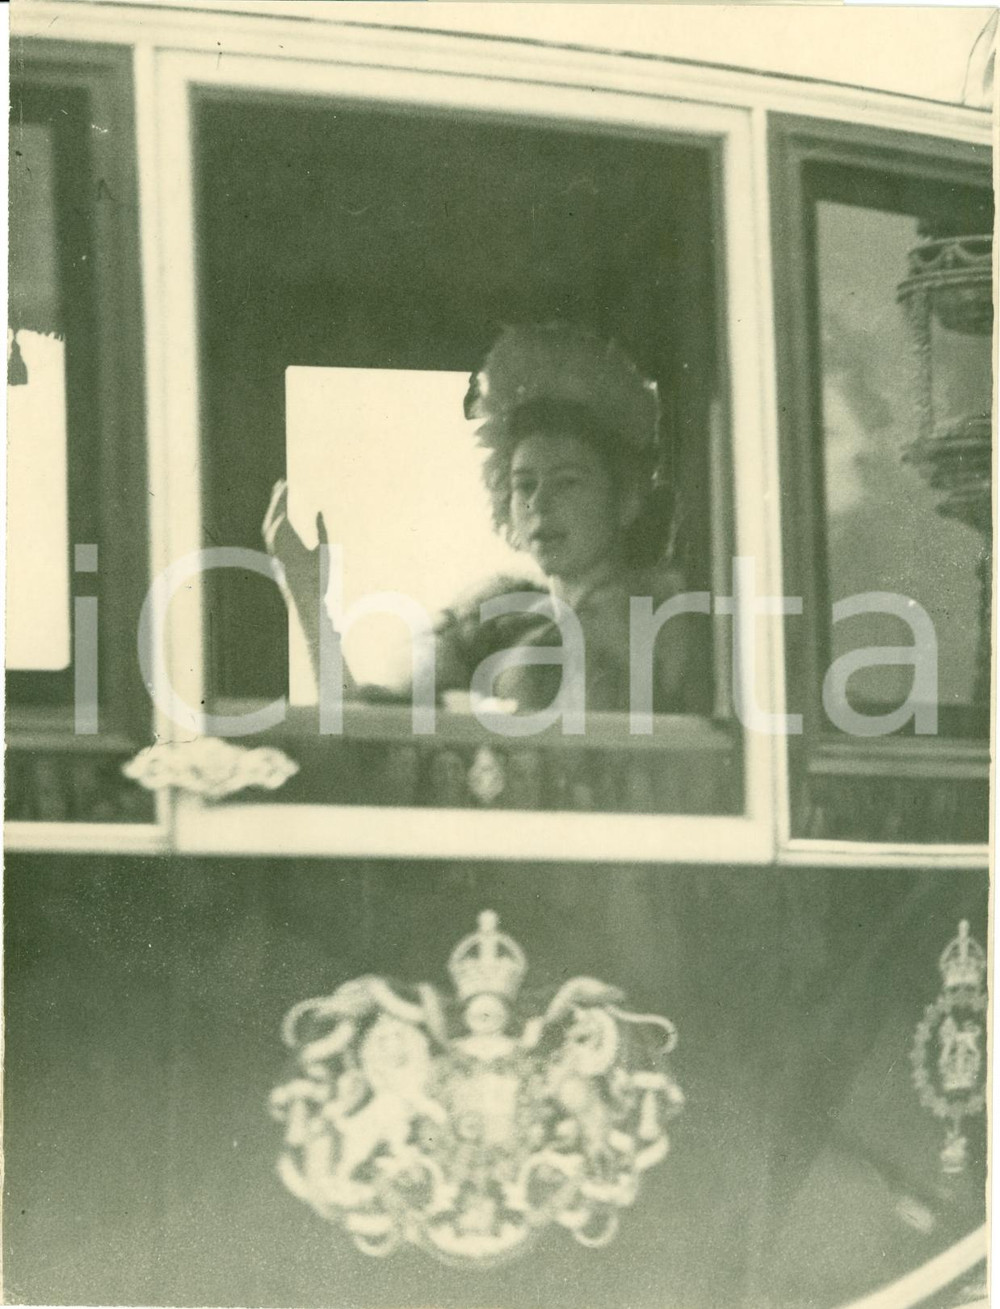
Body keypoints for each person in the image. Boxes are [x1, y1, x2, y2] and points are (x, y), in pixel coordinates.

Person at [263, 322, 701, 716]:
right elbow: (363, 734)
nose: (539, 503)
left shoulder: (667, 621)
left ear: (625, 500)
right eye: (524, 484)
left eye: (567, 482)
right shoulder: (496, 619)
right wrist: (307, 596)